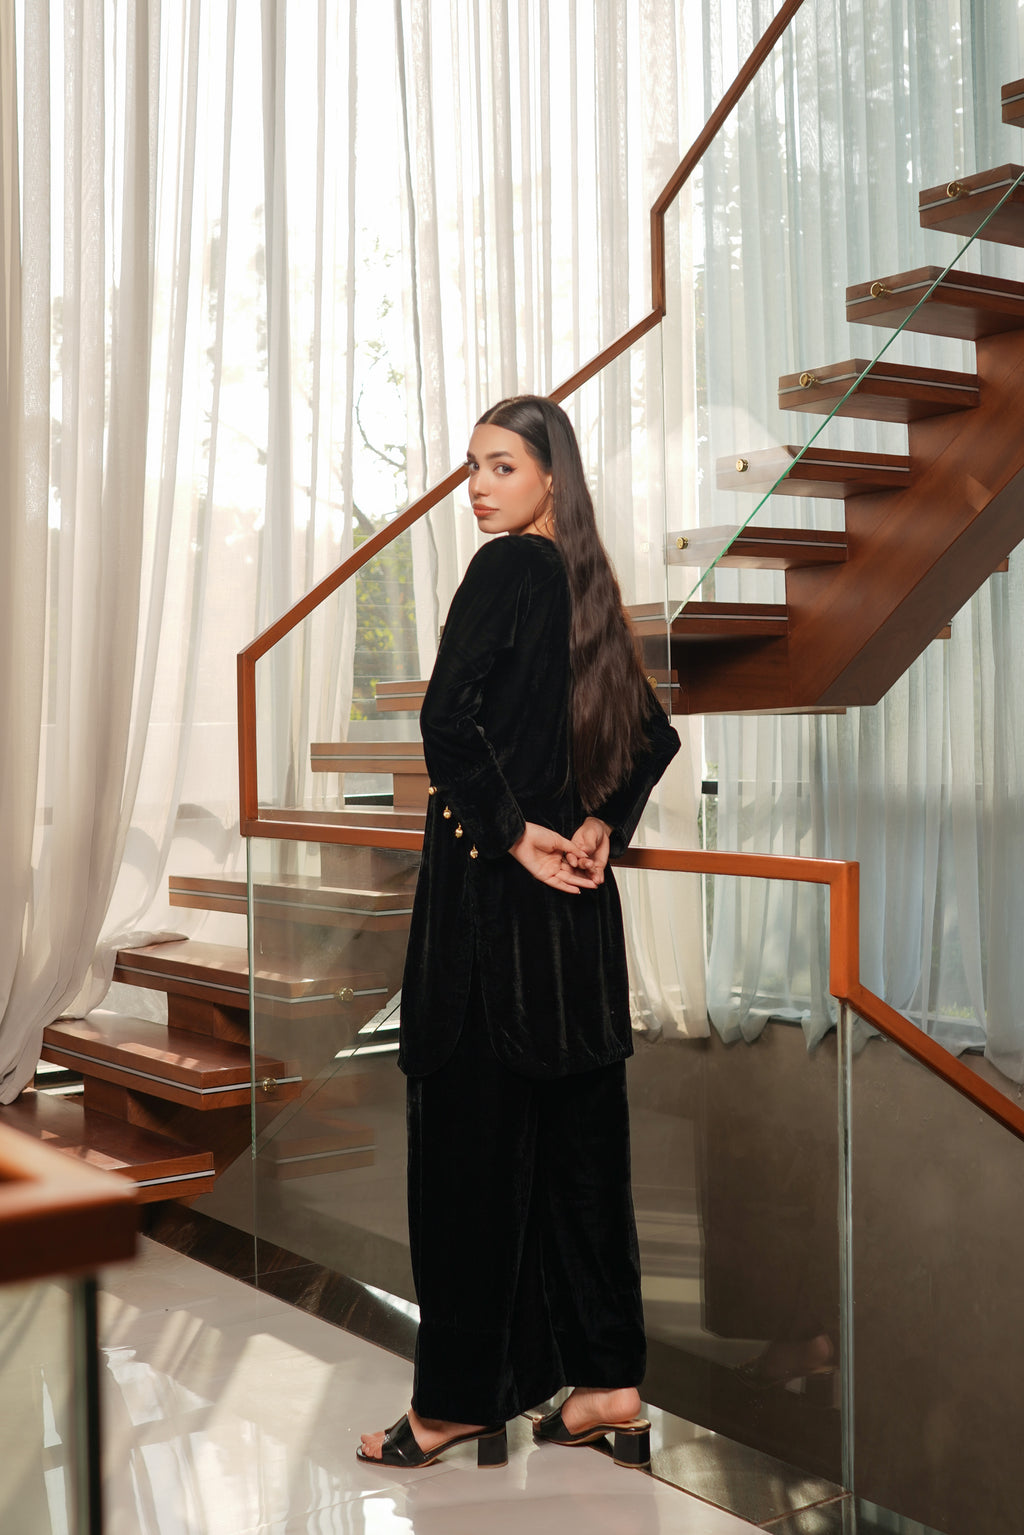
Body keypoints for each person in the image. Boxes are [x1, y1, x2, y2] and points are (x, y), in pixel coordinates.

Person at [358, 395, 680, 1472]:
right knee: (583, 1165)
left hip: (494, 929)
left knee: (469, 1166)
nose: (479, 486)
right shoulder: (589, 585)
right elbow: (650, 736)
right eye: (469, 468)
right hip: (577, 935)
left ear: (551, 474)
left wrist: (514, 834)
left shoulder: (505, 571)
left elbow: (445, 719)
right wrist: (594, 826)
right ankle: (606, 1384)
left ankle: (453, 1403)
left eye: (500, 464)